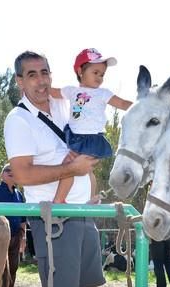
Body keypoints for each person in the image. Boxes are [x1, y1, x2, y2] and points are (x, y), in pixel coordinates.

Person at [4, 50, 106, 287]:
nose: (41, 80)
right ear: (20, 81)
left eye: (45, 72)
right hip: (55, 219)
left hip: (84, 211)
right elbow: (21, 175)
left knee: (86, 286)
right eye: (31, 74)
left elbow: (88, 134)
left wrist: (87, 173)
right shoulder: (18, 120)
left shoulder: (65, 105)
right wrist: (71, 170)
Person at [49, 48, 133, 203]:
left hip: (92, 138)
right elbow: (51, 92)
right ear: (80, 71)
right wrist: (35, 88)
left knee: (69, 165)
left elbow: (121, 103)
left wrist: (141, 107)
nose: (100, 78)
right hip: (76, 136)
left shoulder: (102, 93)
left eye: (102, 74)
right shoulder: (71, 91)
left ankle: (59, 200)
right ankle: (91, 198)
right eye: (95, 73)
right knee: (86, 170)